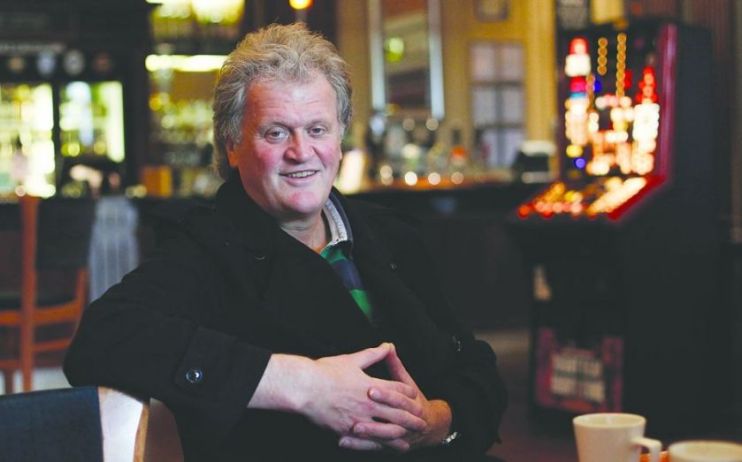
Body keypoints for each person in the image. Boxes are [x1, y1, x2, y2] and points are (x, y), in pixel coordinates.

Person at [64, 23, 507, 461]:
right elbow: (101, 341)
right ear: (232, 145)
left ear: (340, 138)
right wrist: (302, 384)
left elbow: (476, 370)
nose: (301, 152)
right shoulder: (204, 249)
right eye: (276, 132)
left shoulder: (392, 235)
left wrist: (435, 422)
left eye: (317, 129)